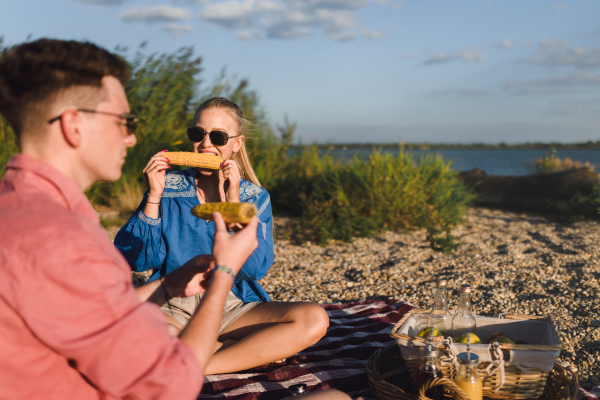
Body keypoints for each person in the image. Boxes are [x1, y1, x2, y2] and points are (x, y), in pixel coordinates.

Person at [0, 38, 256, 399]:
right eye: (125, 121)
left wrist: (165, 287)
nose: (132, 138)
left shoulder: (18, 205)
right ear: (74, 126)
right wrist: (225, 272)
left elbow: (82, 315)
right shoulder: (64, 238)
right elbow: (169, 384)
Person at [114, 96, 330, 375]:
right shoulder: (167, 187)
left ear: (236, 144)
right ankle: (237, 352)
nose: (206, 144)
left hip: (231, 303)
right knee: (150, 334)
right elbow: (134, 259)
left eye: (218, 136)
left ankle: (202, 362)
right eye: (197, 134)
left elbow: (255, 269)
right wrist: (154, 197)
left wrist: (234, 202)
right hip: (172, 304)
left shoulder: (254, 197)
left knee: (314, 319)